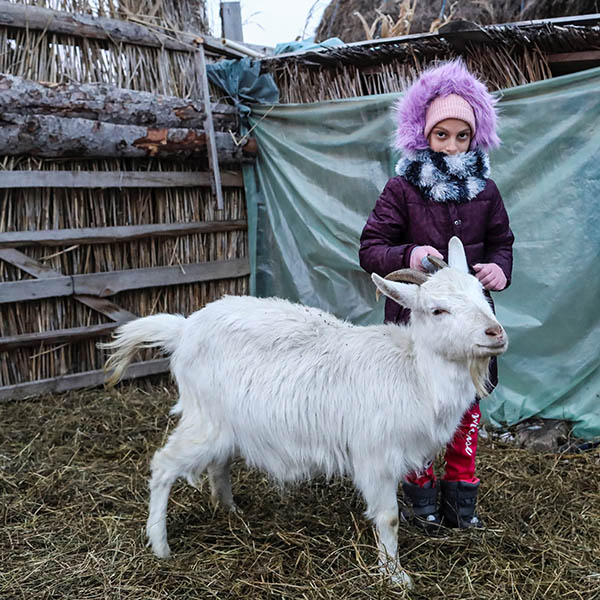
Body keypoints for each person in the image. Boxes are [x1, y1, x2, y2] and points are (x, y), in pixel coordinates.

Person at [359, 60, 514, 533]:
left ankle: (460, 505)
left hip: (471, 326)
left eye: (461, 135)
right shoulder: (401, 190)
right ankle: (419, 500)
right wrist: (410, 251)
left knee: (466, 411)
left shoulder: (485, 191)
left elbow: (502, 243)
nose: (451, 144)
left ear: (475, 136)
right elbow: (370, 249)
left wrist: (498, 270)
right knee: (415, 414)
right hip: (421, 328)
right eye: (441, 134)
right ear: (422, 134)